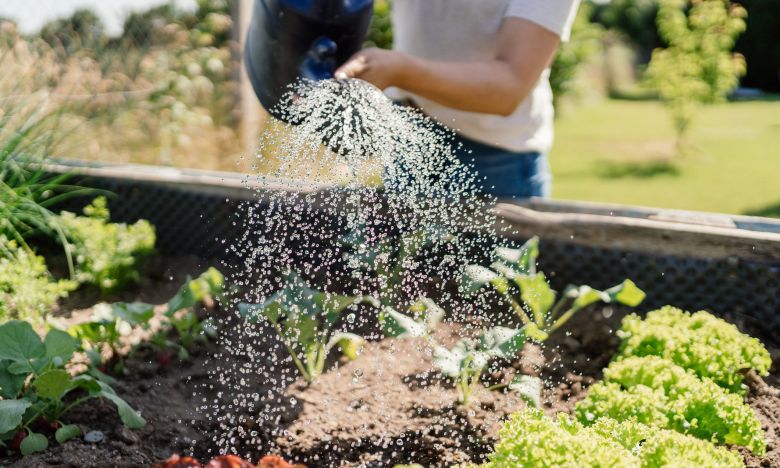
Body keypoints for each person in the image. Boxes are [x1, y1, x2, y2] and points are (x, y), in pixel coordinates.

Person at [335, 0, 581, 199]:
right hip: (407, 137)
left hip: (491, 161)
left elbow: (508, 89)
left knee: (494, 262)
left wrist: (399, 72)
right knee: (401, 259)